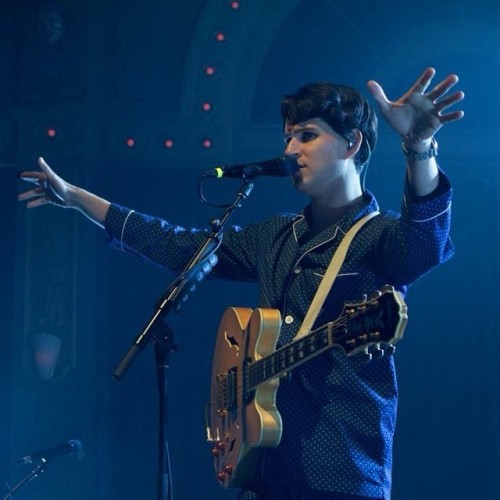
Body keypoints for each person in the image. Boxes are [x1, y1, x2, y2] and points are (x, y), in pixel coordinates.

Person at [18, 67, 464, 500]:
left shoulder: (377, 236)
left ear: (352, 144)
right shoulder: (275, 236)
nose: (290, 149)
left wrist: (419, 145)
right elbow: (179, 248)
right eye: (288, 135)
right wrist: (77, 199)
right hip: (263, 472)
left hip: (341, 473)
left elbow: (424, 246)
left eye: (307, 135)